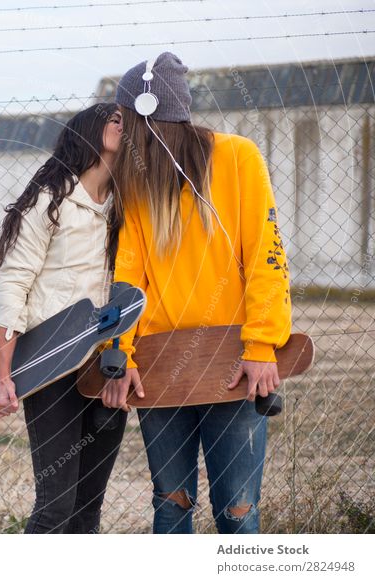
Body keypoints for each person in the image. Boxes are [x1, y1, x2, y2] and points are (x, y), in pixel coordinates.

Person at [101, 52, 292, 534]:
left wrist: (263, 344)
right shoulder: (136, 182)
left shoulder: (238, 158)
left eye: (128, 121)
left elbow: (266, 256)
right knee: (171, 505)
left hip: (234, 362)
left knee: (238, 511)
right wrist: (119, 353)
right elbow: (129, 275)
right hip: (160, 365)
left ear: (155, 120)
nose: (121, 133)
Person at [0, 102, 126, 534]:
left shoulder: (126, 207)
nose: (123, 125)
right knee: (56, 505)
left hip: (106, 365)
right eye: (113, 118)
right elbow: (14, 282)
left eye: (128, 120)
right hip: (51, 366)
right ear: (87, 130)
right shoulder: (52, 200)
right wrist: (4, 374)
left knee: (89, 507)